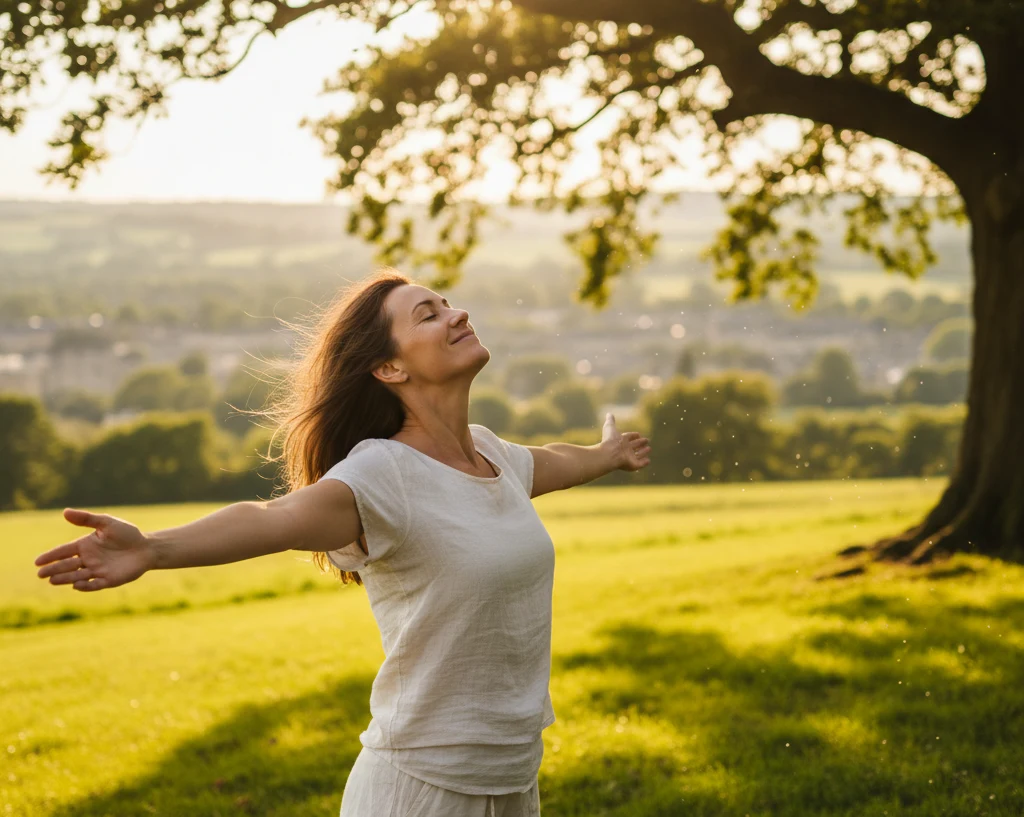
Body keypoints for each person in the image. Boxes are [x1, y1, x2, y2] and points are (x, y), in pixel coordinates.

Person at [34, 268, 652, 816]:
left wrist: (605, 455)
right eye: (428, 314)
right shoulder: (383, 474)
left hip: (514, 779)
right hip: (422, 790)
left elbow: (551, 461)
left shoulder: (491, 454)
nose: (456, 313)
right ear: (390, 368)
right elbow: (273, 517)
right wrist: (154, 549)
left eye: (447, 302)